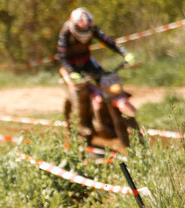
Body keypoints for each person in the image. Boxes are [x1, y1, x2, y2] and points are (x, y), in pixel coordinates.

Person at [57, 8, 135, 140]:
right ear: (74, 25)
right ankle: (83, 124)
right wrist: (72, 72)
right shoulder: (65, 32)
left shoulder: (92, 29)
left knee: (108, 80)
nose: (84, 33)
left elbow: (108, 41)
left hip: (87, 62)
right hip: (72, 65)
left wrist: (125, 54)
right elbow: (62, 56)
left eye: (86, 29)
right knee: (81, 91)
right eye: (81, 29)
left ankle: (108, 113)